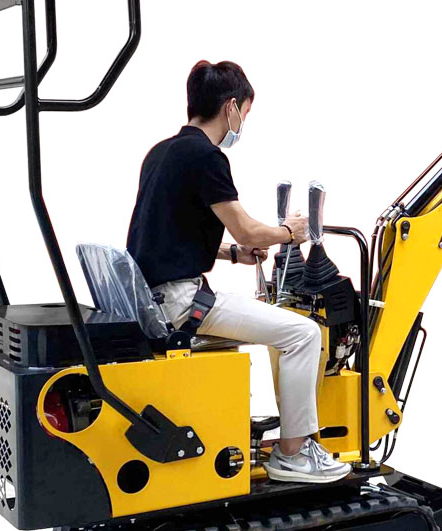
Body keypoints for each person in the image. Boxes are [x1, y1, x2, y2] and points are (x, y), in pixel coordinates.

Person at [127, 60, 350, 484]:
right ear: (231, 107)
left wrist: (233, 254)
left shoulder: (161, 153)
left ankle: (292, 441)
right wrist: (289, 232)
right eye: (245, 113)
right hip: (180, 303)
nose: (242, 123)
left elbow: (168, 233)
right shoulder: (206, 157)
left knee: (286, 331)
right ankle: (294, 453)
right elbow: (246, 227)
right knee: (304, 334)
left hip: (153, 298)